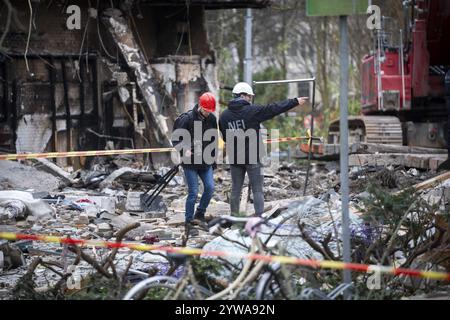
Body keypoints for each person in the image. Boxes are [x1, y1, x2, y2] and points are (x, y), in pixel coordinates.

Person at [219, 82, 309, 217]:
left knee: (235, 190)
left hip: (235, 158)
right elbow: (274, 108)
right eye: (249, 97)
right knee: (257, 190)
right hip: (253, 157)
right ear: (243, 96)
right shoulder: (252, 111)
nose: (250, 99)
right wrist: (294, 101)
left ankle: (234, 220)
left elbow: (225, 137)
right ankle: (259, 221)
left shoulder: (224, 116)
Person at [172, 92, 218, 236]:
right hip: (190, 163)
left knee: (210, 188)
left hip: (205, 161)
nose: (207, 113)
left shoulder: (212, 119)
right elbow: (175, 139)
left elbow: (213, 140)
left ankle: (200, 214)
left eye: (210, 111)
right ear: (200, 106)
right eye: (206, 110)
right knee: (193, 192)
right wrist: (183, 149)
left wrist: (213, 160)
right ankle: (188, 223)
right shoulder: (186, 119)